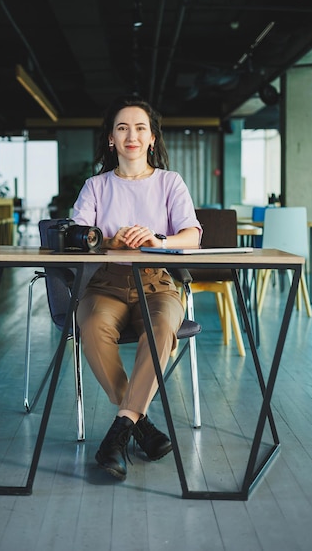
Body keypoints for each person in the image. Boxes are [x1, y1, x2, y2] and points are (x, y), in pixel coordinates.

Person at [71, 95, 201, 481]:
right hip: (106, 281)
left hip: (158, 281)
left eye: (140, 127)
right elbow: (77, 235)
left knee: (162, 327)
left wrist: (157, 240)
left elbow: (192, 235)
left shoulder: (169, 182)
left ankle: (118, 432)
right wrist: (109, 240)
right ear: (111, 138)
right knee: (91, 326)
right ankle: (140, 425)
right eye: (122, 127)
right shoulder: (96, 185)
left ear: (151, 138)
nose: (131, 135)